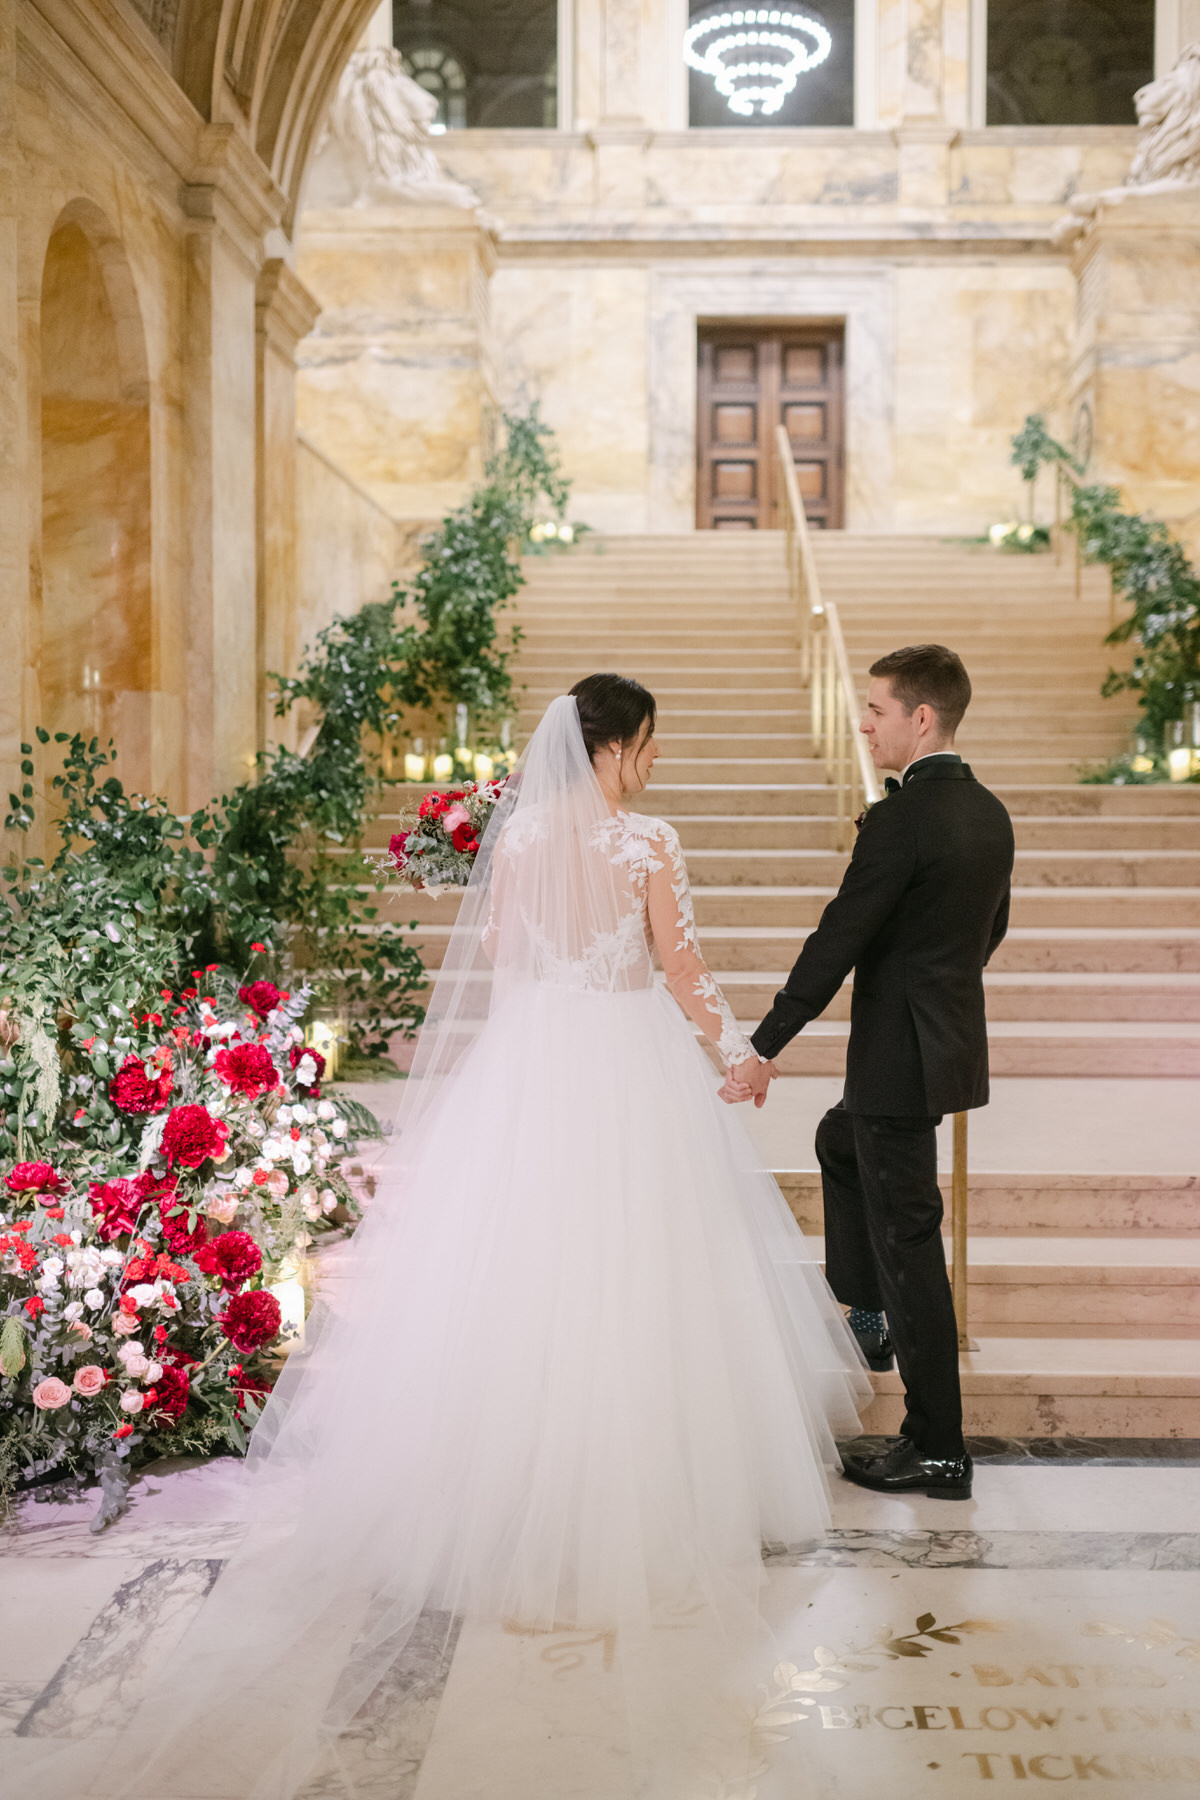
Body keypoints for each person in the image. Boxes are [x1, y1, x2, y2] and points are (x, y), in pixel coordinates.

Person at [36, 677, 867, 1800]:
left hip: (532, 1069)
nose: (657, 763)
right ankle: (642, 1498)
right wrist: (737, 1051)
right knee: (638, 1281)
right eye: (652, 744)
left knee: (517, 1281)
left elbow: (514, 965)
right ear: (619, 748)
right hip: (625, 1069)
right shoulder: (647, 841)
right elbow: (680, 966)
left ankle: (501, 1499)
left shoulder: (520, 839)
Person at [723, 646, 1014, 1502]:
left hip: (897, 1056)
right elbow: (988, 931)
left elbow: (836, 941)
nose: (864, 723)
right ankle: (868, 1312)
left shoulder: (901, 820)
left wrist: (763, 1043)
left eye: (877, 710)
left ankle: (938, 1447)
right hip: (944, 1045)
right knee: (835, 1139)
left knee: (911, 1244)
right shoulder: (989, 812)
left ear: (921, 719)